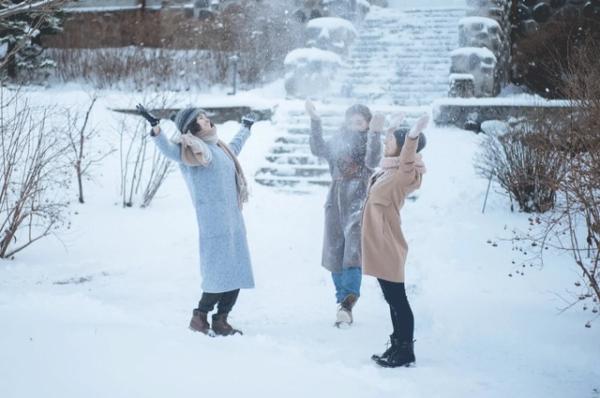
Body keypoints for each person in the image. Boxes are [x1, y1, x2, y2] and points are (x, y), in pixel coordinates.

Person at [137, 104, 256, 337]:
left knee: (237, 270)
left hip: (233, 219)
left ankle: (221, 319)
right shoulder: (189, 151)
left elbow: (236, 147)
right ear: (191, 126)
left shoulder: (220, 148)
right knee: (218, 273)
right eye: (200, 117)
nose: (205, 118)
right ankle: (200, 317)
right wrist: (156, 128)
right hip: (213, 222)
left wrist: (246, 128)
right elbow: (169, 150)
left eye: (205, 115)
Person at [305, 99, 384, 327]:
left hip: (358, 200)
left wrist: (376, 134)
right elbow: (318, 148)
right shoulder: (339, 141)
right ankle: (343, 304)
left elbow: (372, 160)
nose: (354, 125)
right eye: (351, 122)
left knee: (352, 251)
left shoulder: (370, 142)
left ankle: (348, 300)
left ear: (367, 124)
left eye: (359, 122)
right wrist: (315, 120)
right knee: (334, 251)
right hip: (335, 200)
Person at [362, 114, 428, 367]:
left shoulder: (404, 174)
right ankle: (397, 345)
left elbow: (406, 158)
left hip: (387, 242)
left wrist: (411, 136)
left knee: (398, 299)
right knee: (392, 299)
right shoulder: (388, 170)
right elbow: (393, 152)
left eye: (391, 140)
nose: (386, 143)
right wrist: (391, 128)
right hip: (377, 242)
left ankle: (406, 350)